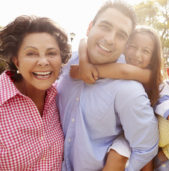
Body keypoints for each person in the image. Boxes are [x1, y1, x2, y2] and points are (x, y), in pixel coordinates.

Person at [56, 1, 159, 170]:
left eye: (121, 35)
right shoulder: (65, 64)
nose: (110, 39)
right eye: (105, 26)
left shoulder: (129, 90)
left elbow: (145, 148)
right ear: (90, 27)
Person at [0, 15, 71, 170]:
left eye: (51, 53)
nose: (44, 61)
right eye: (31, 53)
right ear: (16, 60)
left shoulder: (61, 94)